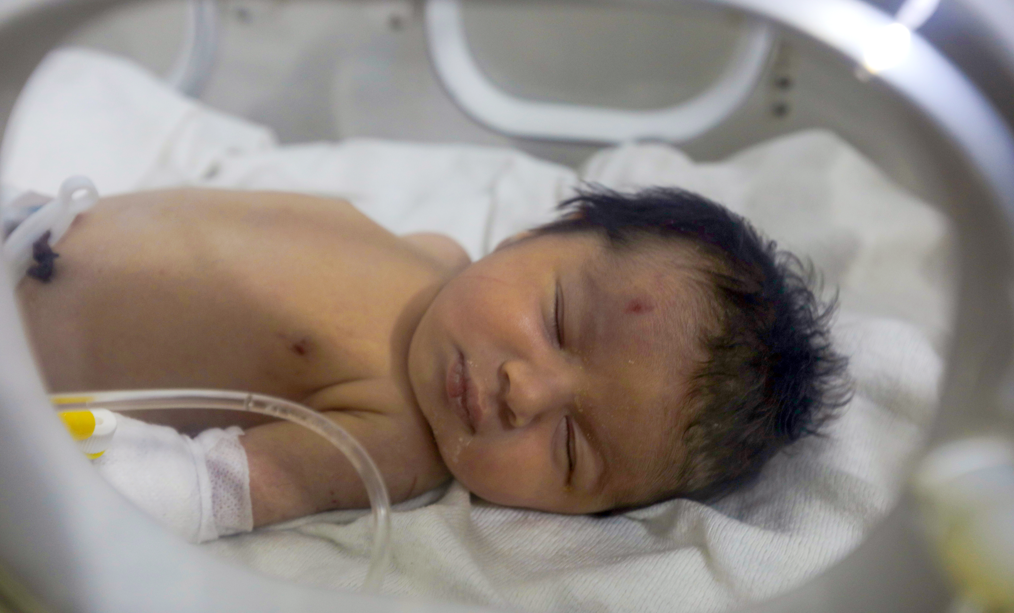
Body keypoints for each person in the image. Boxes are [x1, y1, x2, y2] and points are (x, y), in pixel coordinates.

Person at [15, 184, 848, 533]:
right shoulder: (437, 251)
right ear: (538, 234)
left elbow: (212, 491)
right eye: (559, 322)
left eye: (570, 447)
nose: (525, 391)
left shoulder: (396, 442)